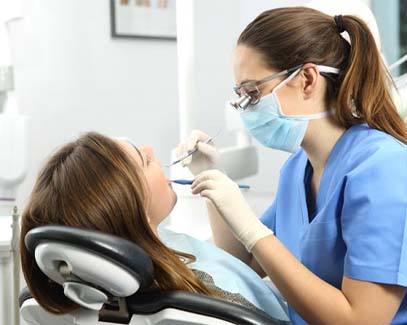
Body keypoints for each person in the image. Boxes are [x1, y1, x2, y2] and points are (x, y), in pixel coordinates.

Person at [178, 6, 407, 325]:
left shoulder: (383, 168)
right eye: (241, 96)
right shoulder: (297, 169)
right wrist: (209, 176)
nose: (245, 109)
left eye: (253, 93)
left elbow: (361, 320)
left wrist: (252, 228)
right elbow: (245, 260)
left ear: (308, 79)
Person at [19, 132, 289, 322]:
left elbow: (229, 264)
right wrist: (253, 231)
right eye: (144, 160)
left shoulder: (119, 278)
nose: (150, 149)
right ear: (135, 211)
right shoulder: (208, 299)